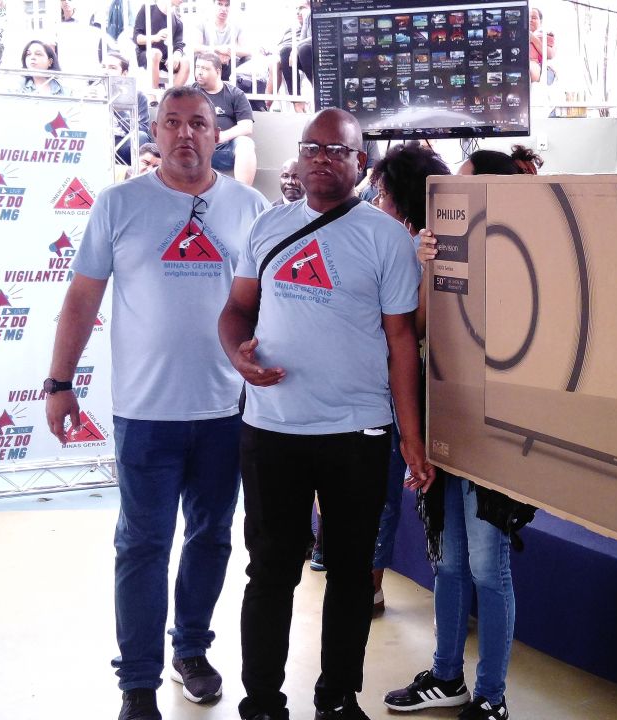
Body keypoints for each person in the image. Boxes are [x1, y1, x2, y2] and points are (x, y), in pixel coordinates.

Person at [45, 85, 269, 720]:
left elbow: (270, 302)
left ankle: (190, 650)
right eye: (172, 122)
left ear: (216, 133)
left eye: (198, 122)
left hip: (226, 411)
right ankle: (138, 682)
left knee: (212, 538)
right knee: (142, 544)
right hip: (145, 414)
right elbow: (82, 299)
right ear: (156, 133)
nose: (185, 133)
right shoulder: (119, 204)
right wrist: (59, 383)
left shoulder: (250, 207)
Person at [219, 108, 432, 720]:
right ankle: (262, 701)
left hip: (356, 433)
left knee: (350, 573)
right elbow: (236, 311)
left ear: (359, 162)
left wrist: (411, 438)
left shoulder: (386, 238)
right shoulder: (268, 226)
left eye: (337, 150)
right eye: (312, 147)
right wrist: (237, 355)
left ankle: (336, 697)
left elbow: (401, 342)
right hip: (271, 429)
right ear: (299, 155)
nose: (321, 158)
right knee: (270, 571)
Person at [384, 145, 541, 720]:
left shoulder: (525, 257)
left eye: (465, 183)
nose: (452, 193)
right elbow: (419, 330)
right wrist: (430, 269)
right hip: (447, 427)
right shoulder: (444, 248)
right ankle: (447, 675)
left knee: (487, 567)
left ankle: (491, 695)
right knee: (448, 563)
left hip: (497, 435)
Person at [365, 142, 451, 614]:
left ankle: (373, 586)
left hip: (404, 383)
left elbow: (409, 327)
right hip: (424, 383)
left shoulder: (411, 246)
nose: (376, 201)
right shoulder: (420, 241)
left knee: (389, 489)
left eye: (382, 193)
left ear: (398, 198)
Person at [193, 52, 256, 185]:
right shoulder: (189, 93)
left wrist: (221, 136)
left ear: (218, 72)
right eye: (197, 67)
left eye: (205, 68)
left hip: (224, 150)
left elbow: (246, 126)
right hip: (195, 149)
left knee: (246, 144)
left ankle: (243, 192)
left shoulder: (235, 94)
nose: (199, 72)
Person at [103, 51, 152, 165]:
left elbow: (142, 129)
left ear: (124, 74)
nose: (106, 71)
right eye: (103, 67)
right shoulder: (89, 94)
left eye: (112, 68)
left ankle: (138, 174)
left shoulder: (137, 96)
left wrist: (119, 111)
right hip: (97, 140)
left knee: (141, 136)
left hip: (122, 142)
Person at [133, 0, 188, 91]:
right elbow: (137, 38)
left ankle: (171, 96)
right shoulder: (147, 9)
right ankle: (153, 97)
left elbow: (179, 45)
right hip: (146, 55)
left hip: (165, 59)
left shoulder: (177, 20)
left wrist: (176, 56)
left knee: (185, 62)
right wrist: (155, 37)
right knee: (156, 53)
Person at [190, 0, 250, 82]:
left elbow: (247, 50)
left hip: (228, 64)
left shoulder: (237, 25)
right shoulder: (202, 22)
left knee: (247, 59)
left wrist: (229, 52)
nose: (223, 9)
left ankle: (239, 87)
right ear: (213, 5)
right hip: (208, 63)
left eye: (227, 5)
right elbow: (195, 47)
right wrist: (217, 50)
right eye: (220, 4)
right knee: (196, 56)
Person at [55, 0, 112, 74]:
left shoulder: (84, 22)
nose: (66, 2)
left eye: (70, 0)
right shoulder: (56, 22)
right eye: (63, 0)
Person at [527, 8, 554, 84]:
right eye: (528, 17)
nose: (530, 20)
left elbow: (550, 54)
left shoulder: (545, 35)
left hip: (536, 65)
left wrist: (532, 38)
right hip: (517, 63)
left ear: (540, 21)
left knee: (527, 69)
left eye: (534, 18)